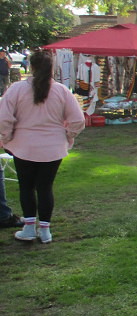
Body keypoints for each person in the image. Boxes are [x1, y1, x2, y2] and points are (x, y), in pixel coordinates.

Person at [0, 50, 85, 243]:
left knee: (26, 187)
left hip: (23, 145)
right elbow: (78, 120)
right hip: (52, 147)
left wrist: (7, 138)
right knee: (45, 188)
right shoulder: (61, 90)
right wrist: (67, 136)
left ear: (31, 67)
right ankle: (45, 230)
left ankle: (29, 228)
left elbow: (3, 118)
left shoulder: (16, 89)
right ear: (51, 68)